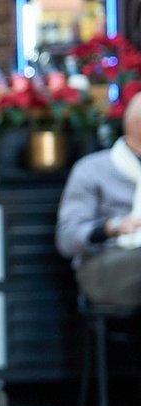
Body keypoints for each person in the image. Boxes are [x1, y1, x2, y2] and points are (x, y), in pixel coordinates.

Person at [56, 96, 141, 308]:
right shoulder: (92, 169)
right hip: (106, 265)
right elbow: (67, 239)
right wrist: (114, 227)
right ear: (137, 124)